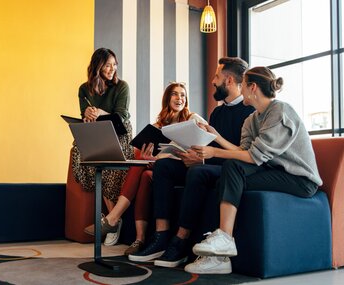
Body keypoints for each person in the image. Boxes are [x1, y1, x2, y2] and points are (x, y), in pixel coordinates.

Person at [185, 66, 322, 274]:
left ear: (253, 87)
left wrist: (214, 152)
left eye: (243, 85)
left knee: (231, 170)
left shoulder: (280, 112)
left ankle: (224, 240)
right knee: (224, 178)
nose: (240, 90)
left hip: (300, 180)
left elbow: (253, 157)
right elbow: (243, 152)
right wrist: (216, 137)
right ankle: (220, 258)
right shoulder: (252, 119)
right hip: (274, 171)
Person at [128, 57, 255, 269]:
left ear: (229, 80)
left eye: (216, 76)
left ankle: (180, 241)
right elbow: (206, 145)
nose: (213, 81)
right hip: (210, 163)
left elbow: (243, 154)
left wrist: (202, 160)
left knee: (197, 173)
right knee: (164, 167)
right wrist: (194, 156)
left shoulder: (250, 112)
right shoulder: (218, 112)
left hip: (232, 170)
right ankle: (161, 236)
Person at [83, 82, 207, 254]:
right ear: (167, 98)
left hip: (186, 168)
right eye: (175, 94)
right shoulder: (157, 126)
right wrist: (151, 158)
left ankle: (113, 218)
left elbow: (207, 142)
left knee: (142, 163)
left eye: (183, 95)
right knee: (143, 168)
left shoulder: (193, 119)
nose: (179, 98)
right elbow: (154, 156)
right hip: (163, 169)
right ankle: (139, 239)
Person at [71, 48, 134, 222]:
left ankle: (111, 221)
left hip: (119, 133)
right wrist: (88, 115)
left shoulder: (122, 86)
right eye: (107, 65)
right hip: (97, 132)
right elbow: (85, 114)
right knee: (79, 151)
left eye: (114, 65)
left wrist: (100, 112)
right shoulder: (84, 89)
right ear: (98, 66)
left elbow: (121, 116)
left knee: (108, 168)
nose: (112, 68)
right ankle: (113, 221)